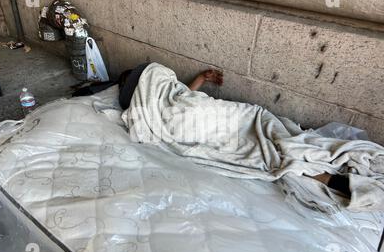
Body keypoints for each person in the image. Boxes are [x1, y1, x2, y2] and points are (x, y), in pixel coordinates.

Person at [118, 63, 351, 199]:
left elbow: (182, 97)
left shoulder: (153, 98)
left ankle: (320, 170)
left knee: (258, 135)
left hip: (191, 114)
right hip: (187, 118)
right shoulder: (150, 98)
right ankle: (323, 174)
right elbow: (178, 103)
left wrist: (200, 78)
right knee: (260, 137)